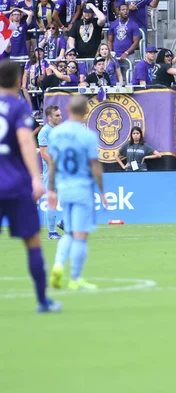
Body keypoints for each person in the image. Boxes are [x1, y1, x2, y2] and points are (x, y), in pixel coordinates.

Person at [0, 60, 62, 313]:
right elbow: (26, 143)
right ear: (18, 82)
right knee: (32, 242)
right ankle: (42, 301)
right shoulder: (18, 108)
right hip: (15, 184)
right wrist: (37, 178)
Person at [47, 95, 108, 291]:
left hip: (64, 189)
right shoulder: (87, 136)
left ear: (67, 110)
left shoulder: (56, 134)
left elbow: (52, 165)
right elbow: (95, 166)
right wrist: (103, 191)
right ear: (85, 112)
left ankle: (57, 265)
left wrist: (51, 190)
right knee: (80, 235)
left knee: (70, 232)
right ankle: (76, 278)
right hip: (82, 188)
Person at [38, 105, 63, 240]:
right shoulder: (44, 132)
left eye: (60, 114)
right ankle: (52, 232)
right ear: (49, 117)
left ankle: (64, 223)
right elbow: (44, 154)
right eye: (57, 115)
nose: (60, 117)